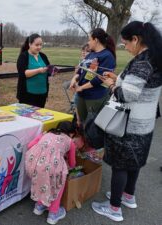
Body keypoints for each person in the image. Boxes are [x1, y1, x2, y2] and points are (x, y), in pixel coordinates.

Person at [92, 21, 162, 222]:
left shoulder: (142, 62)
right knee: (135, 162)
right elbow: (141, 88)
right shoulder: (155, 58)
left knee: (120, 165)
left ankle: (114, 208)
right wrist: (118, 78)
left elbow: (127, 96)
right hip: (145, 123)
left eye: (127, 44)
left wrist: (112, 84)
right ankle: (127, 196)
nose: (126, 48)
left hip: (128, 125)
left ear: (136, 40)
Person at [25, 121, 76, 225]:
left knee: (42, 181)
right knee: (58, 182)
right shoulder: (70, 141)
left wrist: (40, 136)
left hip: (34, 164)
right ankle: (53, 213)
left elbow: (30, 145)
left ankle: (39, 206)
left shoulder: (46, 134)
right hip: (52, 168)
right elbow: (72, 163)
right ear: (70, 132)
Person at [69, 28, 116, 124]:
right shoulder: (90, 55)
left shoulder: (107, 56)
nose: (88, 42)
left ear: (96, 40)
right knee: (81, 123)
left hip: (94, 97)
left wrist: (81, 87)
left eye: (89, 39)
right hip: (81, 95)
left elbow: (100, 78)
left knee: (92, 126)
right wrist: (74, 79)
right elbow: (80, 70)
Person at [16, 34, 51, 108]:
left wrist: (52, 71)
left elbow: (48, 70)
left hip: (42, 94)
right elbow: (23, 73)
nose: (39, 47)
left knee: (39, 117)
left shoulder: (43, 56)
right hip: (27, 95)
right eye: (37, 45)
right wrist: (38, 70)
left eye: (41, 45)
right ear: (30, 44)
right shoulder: (23, 56)